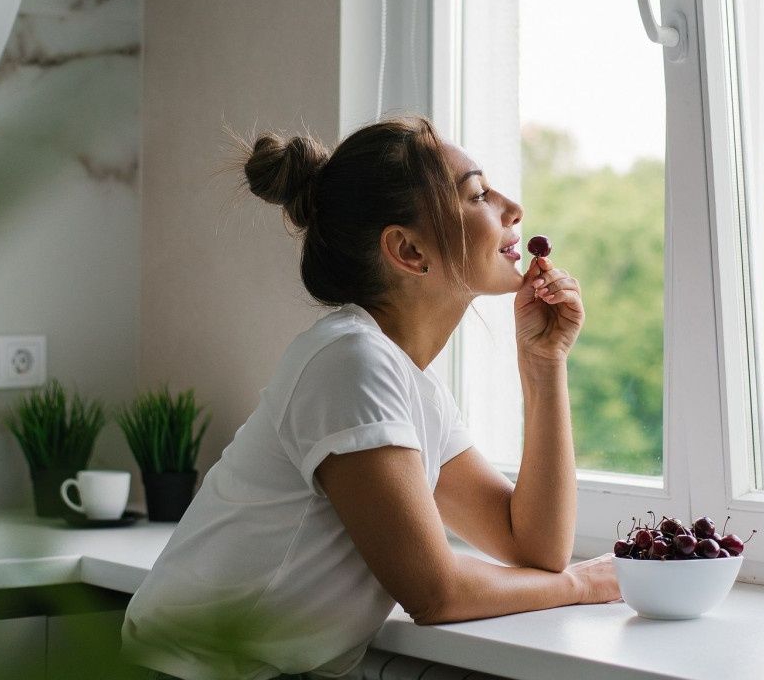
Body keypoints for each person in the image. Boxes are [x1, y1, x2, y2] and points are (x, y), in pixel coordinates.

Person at [121, 115, 620, 680]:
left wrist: (543, 363)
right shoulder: (351, 363)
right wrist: (582, 584)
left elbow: (532, 546)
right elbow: (436, 593)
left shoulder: (407, 381)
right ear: (407, 250)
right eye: (478, 194)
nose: (512, 208)